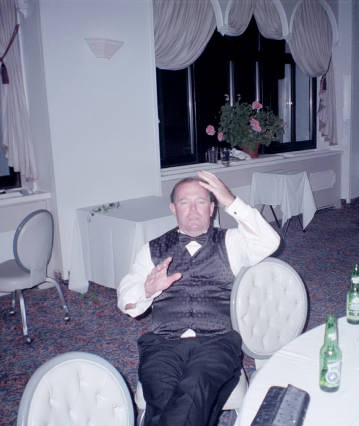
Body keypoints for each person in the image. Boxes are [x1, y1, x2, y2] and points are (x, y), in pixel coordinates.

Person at [117, 170, 280, 426]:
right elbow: (128, 301)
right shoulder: (152, 249)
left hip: (216, 342)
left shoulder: (232, 242)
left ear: (212, 208)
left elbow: (269, 241)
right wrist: (148, 291)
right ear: (173, 208)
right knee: (161, 394)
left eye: (201, 201)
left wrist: (232, 202)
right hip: (163, 343)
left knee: (195, 388)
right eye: (184, 202)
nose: (193, 210)